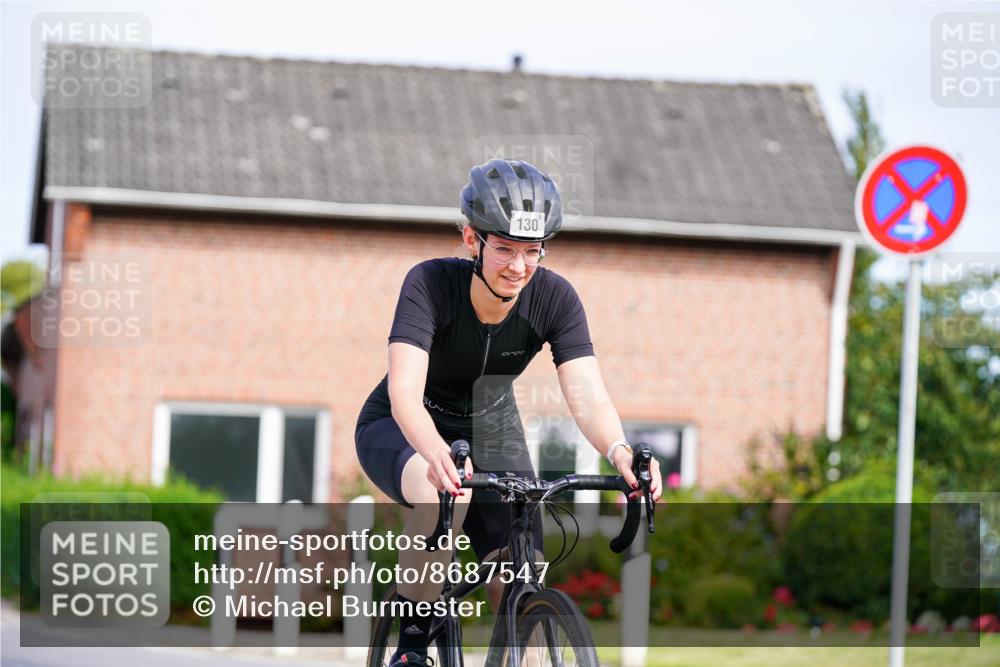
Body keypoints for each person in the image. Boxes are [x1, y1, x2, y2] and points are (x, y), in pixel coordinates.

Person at [355, 158, 662, 666]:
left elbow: (585, 391)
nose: (518, 266)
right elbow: (405, 391)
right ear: (472, 239)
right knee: (438, 500)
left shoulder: (555, 299)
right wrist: (435, 452)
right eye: (504, 249)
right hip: (402, 424)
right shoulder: (429, 285)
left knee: (522, 567)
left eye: (530, 252)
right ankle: (411, 645)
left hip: (492, 426)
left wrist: (619, 451)